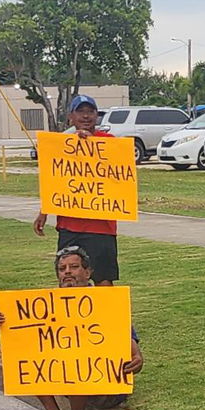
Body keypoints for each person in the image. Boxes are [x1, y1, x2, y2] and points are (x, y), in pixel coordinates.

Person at [0, 245, 143, 410]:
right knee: (33, 350)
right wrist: (6, 323)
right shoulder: (49, 306)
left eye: (74, 267)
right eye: (62, 269)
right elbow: (23, 339)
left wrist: (137, 357)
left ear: (88, 272)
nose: (68, 272)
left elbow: (128, 343)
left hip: (105, 387)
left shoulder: (105, 303)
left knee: (75, 354)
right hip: (66, 381)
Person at [33, 95, 120, 285]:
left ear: (97, 116)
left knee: (104, 282)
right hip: (69, 226)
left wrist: (92, 146)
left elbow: (118, 179)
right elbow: (56, 181)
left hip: (101, 227)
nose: (86, 116)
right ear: (71, 116)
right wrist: (44, 211)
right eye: (80, 111)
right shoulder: (61, 145)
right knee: (68, 280)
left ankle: (106, 316)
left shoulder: (110, 142)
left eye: (90, 111)